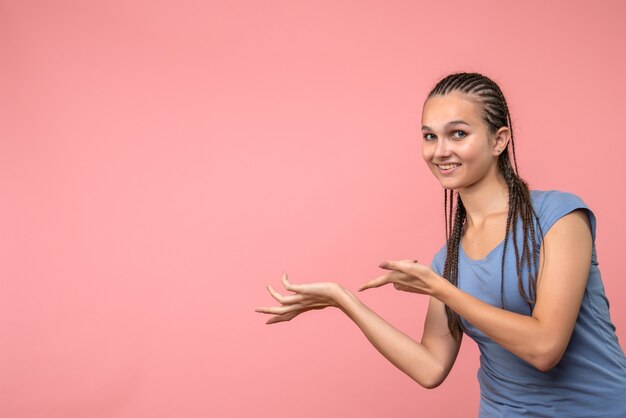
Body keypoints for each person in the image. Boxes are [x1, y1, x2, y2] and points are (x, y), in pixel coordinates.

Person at [255, 72, 626, 417]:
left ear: (499, 140)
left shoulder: (559, 217)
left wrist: (441, 290)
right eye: (429, 136)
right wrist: (344, 300)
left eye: (458, 134)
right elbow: (430, 367)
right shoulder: (448, 260)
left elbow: (545, 347)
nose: (440, 151)